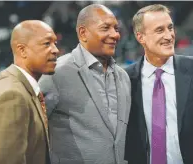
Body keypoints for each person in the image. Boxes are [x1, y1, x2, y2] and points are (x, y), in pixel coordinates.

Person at [39, 4, 131, 164]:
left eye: (116, 28)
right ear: (83, 33)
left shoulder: (123, 77)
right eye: (105, 28)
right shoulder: (56, 73)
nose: (115, 34)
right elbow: (31, 131)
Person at [0, 20, 59, 164]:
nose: (55, 50)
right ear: (22, 50)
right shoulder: (11, 95)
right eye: (47, 43)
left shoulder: (22, 88)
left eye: (55, 43)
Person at [124, 4, 193, 164]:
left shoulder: (191, 69)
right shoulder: (126, 79)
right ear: (140, 37)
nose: (169, 36)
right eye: (159, 30)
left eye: (170, 28)